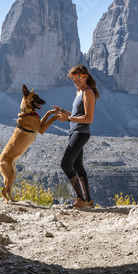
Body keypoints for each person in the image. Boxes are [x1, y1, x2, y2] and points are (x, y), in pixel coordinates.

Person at [53, 64, 100, 209]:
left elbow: (88, 118)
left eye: (78, 76)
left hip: (81, 133)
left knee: (65, 164)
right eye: (73, 77)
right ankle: (88, 201)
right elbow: (76, 115)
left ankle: (80, 199)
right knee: (78, 166)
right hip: (74, 132)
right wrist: (63, 111)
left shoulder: (88, 92)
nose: (75, 79)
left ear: (85, 76)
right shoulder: (79, 92)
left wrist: (67, 119)